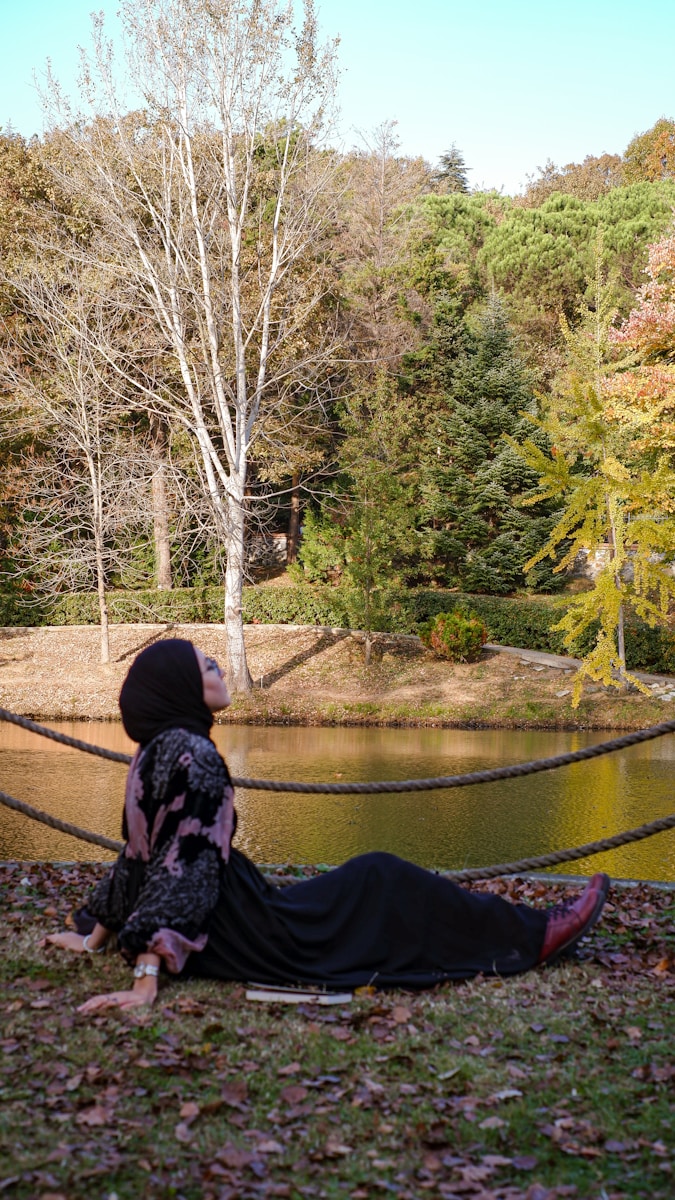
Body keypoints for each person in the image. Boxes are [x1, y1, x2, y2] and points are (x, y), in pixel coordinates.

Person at [46, 638, 610, 1012]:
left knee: (368, 883)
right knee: (381, 877)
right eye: (206, 666)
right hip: (239, 932)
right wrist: (146, 975)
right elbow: (180, 867)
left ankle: (526, 928)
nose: (218, 668)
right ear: (179, 688)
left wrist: (96, 935)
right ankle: (535, 935)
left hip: (225, 923)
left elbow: (138, 857)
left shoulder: (154, 751)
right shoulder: (195, 757)